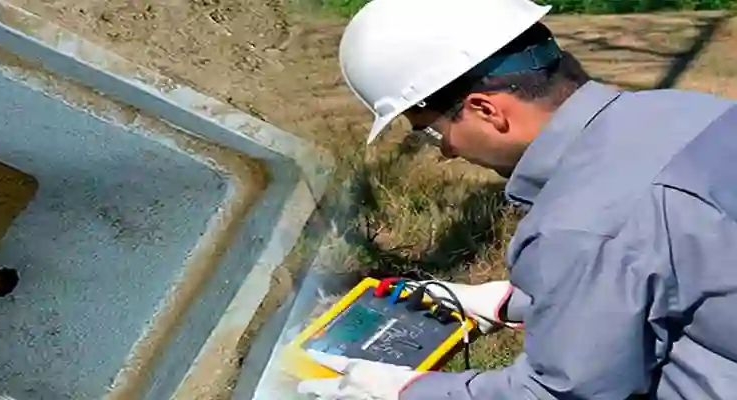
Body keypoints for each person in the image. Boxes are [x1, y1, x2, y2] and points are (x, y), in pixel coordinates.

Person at [295, 0, 737, 399]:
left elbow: (563, 393)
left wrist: (405, 391)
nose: (447, 151)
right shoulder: (691, 111)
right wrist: (511, 302)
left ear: (487, 110)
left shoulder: (579, 226)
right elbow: (673, 268)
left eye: (431, 133)